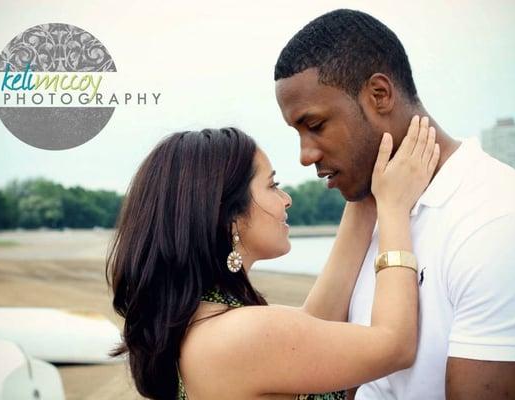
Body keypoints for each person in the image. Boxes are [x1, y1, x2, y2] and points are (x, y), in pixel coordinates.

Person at [274, 8, 515, 400]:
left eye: (316, 125)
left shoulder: (499, 224)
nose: (305, 155)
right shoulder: (374, 204)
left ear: (379, 95)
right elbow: (316, 352)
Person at [106, 119, 439, 400]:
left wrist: (361, 196)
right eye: (273, 185)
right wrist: (393, 209)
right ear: (231, 217)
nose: (287, 199)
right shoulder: (243, 334)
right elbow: (395, 345)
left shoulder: (199, 324)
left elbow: (315, 323)